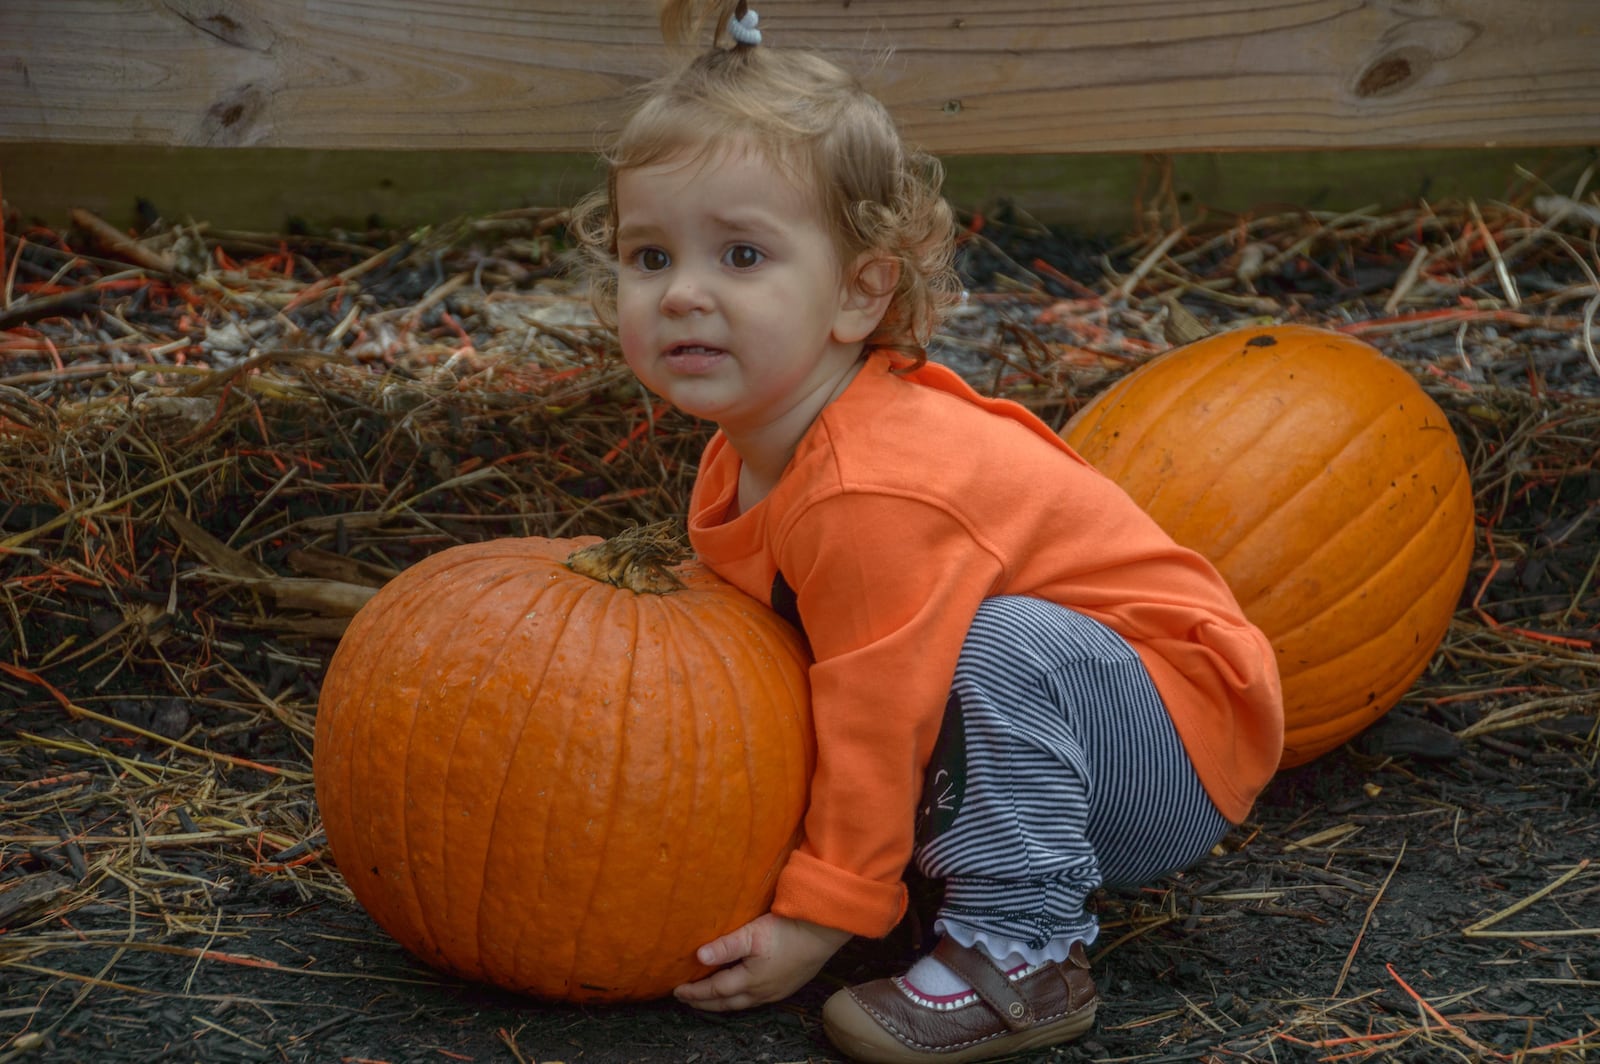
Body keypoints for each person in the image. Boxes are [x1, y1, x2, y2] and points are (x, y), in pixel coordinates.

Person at [569, 3, 1284, 1060]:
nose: (682, 293)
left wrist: (820, 915)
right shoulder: (747, 446)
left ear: (859, 292)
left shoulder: (870, 490)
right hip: (1045, 741)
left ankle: (1023, 947)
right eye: (648, 255)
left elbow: (874, 708)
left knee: (996, 645)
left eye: (741, 255)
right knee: (946, 654)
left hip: (1167, 737)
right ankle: (956, 863)